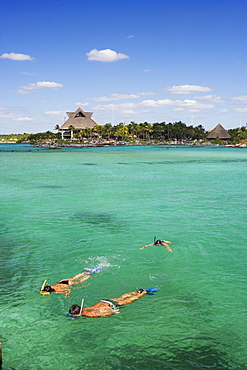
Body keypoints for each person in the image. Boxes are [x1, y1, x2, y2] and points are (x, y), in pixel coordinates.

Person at [67, 288, 159, 318]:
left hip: (111, 305)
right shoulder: (84, 308)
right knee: (122, 297)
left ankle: (144, 292)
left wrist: (113, 312)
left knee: (130, 300)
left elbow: (102, 314)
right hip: (104, 301)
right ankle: (135, 291)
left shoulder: (89, 314)